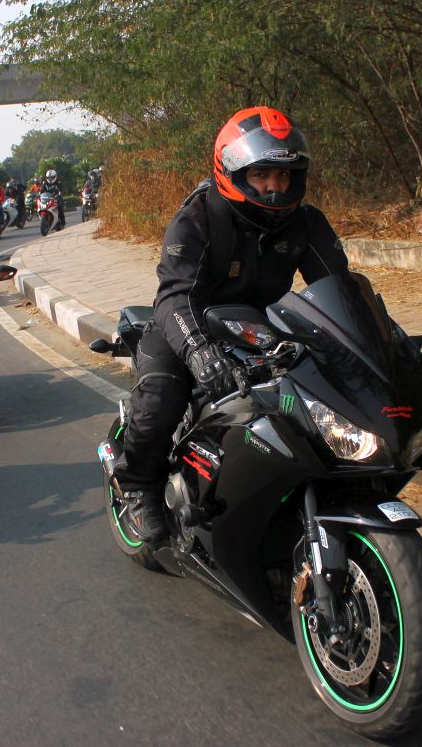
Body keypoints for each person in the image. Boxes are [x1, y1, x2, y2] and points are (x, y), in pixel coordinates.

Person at [112, 107, 349, 541]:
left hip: (261, 332)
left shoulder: (306, 222)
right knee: (161, 399)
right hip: (186, 326)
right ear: (233, 172)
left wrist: (372, 342)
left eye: (283, 175)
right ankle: (138, 487)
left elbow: (339, 288)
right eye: (262, 175)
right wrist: (199, 351)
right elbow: (175, 294)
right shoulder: (200, 217)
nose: (275, 187)